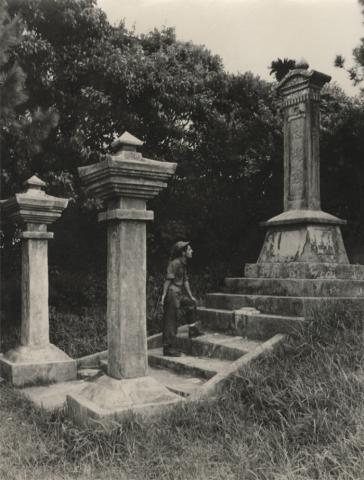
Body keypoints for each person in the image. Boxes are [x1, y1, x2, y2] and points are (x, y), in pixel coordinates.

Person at [161, 241, 202, 356]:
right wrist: (163, 296)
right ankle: (168, 348)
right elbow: (168, 280)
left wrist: (191, 296)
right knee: (171, 320)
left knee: (191, 303)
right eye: (189, 250)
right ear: (183, 253)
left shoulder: (184, 263)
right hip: (172, 294)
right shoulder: (175, 263)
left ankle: (192, 330)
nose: (192, 251)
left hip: (178, 293)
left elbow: (185, 281)